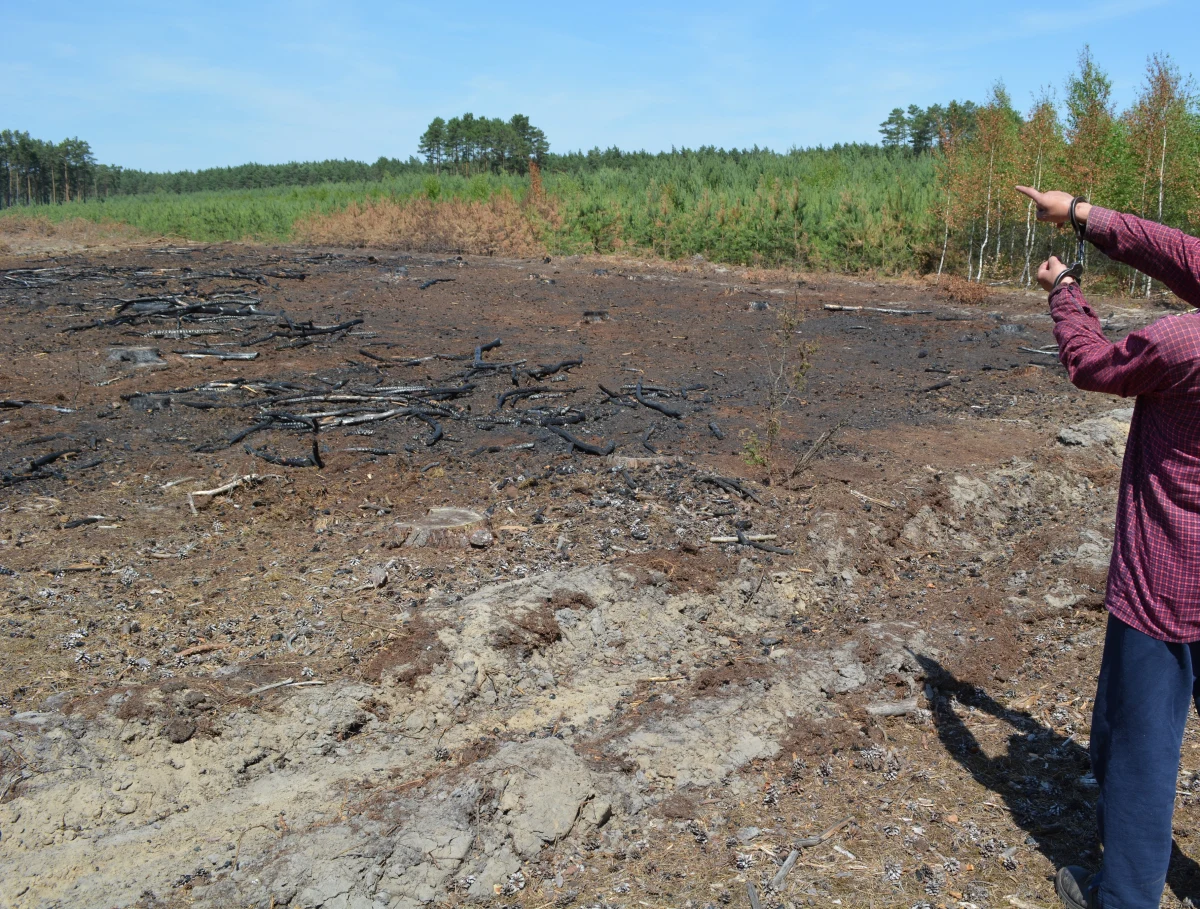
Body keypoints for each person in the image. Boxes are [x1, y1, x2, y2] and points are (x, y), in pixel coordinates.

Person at [1016, 185, 1200, 909]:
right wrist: (1086, 215)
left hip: (1166, 579)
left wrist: (1065, 292)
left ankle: (1124, 896)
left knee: (1139, 752)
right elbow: (1181, 255)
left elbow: (1092, 365)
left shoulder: (1184, 344)